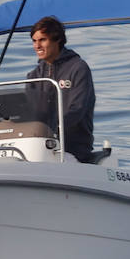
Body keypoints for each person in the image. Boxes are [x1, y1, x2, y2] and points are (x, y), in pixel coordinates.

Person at [26, 16, 96, 163]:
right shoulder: (33, 75)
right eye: (34, 41)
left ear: (57, 39)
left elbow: (77, 110)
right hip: (40, 148)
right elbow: (29, 113)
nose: (37, 46)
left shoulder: (78, 68)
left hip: (73, 149)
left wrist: (51, 128)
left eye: (42, 40)